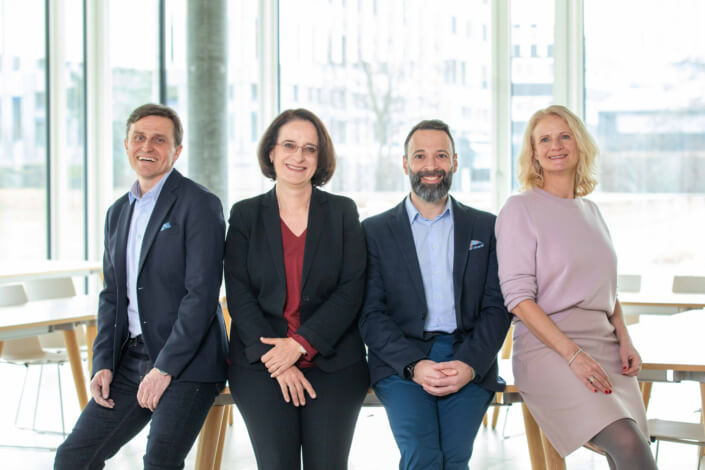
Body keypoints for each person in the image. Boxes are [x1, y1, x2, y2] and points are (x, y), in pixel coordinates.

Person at [54, 103, 228, 469]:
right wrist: (102, 361)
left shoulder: (199, 205)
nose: (147, 146)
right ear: (127, 143)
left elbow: (201, 296)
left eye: (159, 140)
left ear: (177, 151)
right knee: (72, 458)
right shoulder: (118, 212)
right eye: (139, 137)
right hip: (130, 359)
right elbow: (112, 295)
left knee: (159, 461)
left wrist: (163, 368)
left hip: (187, 362)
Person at [495, 105, 657, 469]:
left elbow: (608, 290)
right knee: (628, 443)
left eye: (565, 135)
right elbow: (518, 299)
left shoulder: (592, 211)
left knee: (632, 445)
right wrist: (573, 355)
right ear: (534, 152)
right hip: (548, 350)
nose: (556, 145)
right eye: (545, 139)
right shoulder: (520, 209)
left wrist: (624, 336)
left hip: (606, 346)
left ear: (579, 144)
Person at [359, 119, 511, 470]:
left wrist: (470, 364)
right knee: (423, 456)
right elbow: (370, 313)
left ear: (455, 162)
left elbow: (497, 308)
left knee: (454, 458)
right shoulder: (374, 231)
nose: (431, 166)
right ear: (405, 163)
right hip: (400, 360)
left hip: (468, 355)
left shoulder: (486, 227)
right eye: (420, 156)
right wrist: (413, 365)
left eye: (441, 156)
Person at [225, 108, 369, 470]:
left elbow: (352, 289)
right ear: (271, 152)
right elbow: (239, 294)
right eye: (289, 145)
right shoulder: (245, 216)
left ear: (320, 159)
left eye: (310, 149)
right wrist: (279, 360)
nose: (298, 156)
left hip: (333, 360)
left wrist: (301, 344)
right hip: (262, 362)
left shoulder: (341, 212)